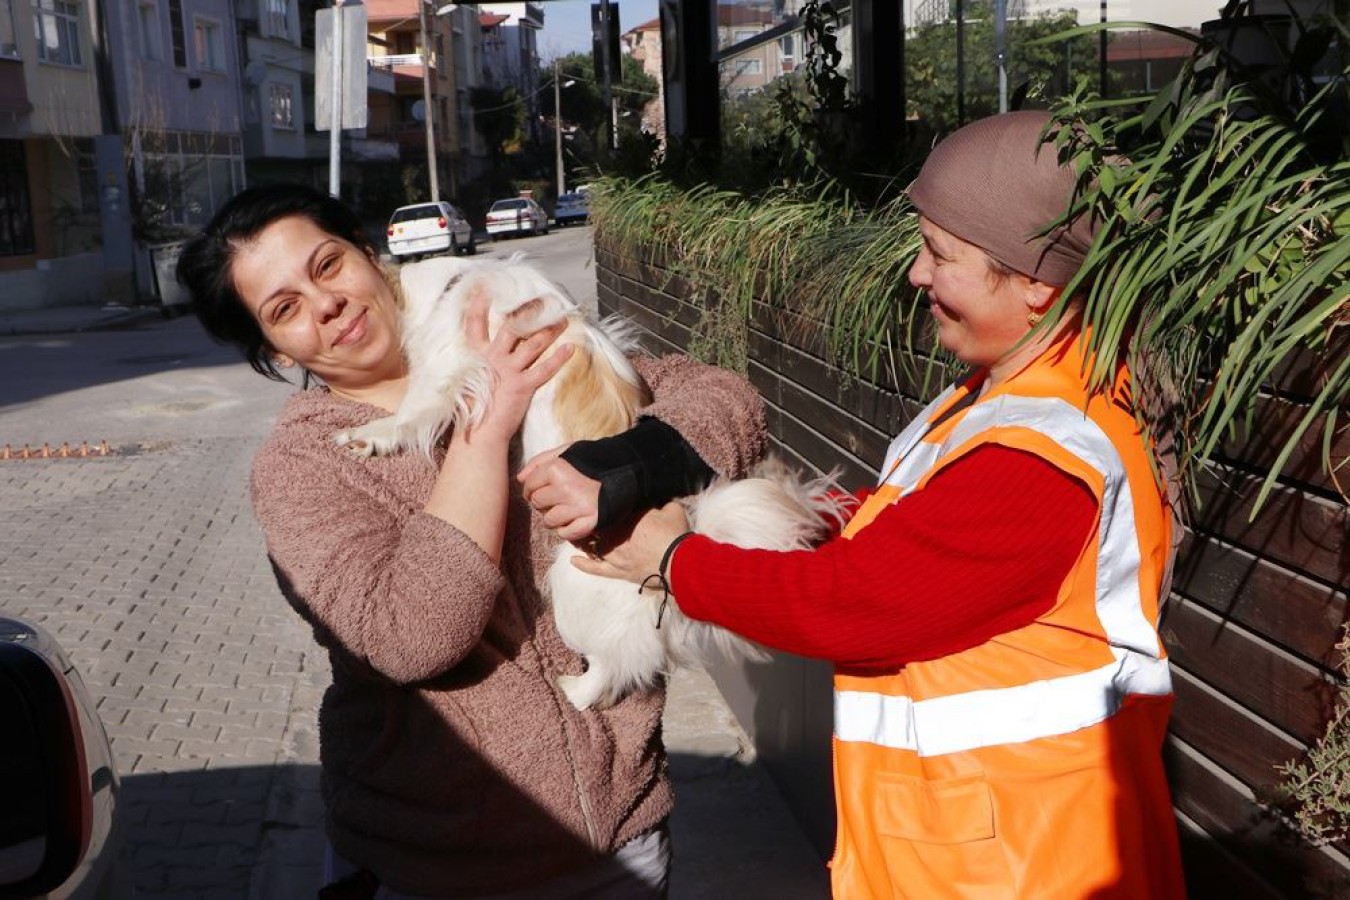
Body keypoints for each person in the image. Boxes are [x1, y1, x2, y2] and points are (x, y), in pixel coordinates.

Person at [538, 111, 1187, 898]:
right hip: (981, 841)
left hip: (1024, 864)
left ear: (1039, 286)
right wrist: (772, 511)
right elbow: (909, 528)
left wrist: (674, 560)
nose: (916, 274)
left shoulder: (1039, 460)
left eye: (940, 254)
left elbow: (857, 603)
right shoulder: (1017, 393)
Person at [177, 183, 768, 899]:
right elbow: (414, 637)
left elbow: (726, 399)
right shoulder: (304, 465)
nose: (324, 304)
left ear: (369, 254)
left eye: (327, 266)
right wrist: (486, 422)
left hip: (622, 837)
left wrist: (630, 466)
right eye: (284, 309)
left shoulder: (502, 327)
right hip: (434, 867)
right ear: (271, 349)